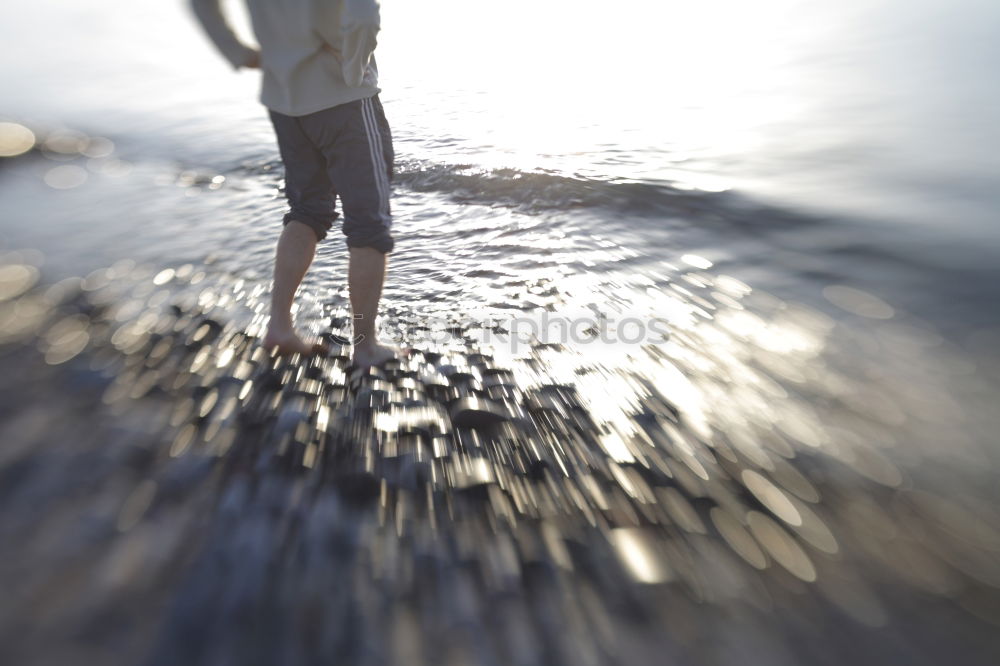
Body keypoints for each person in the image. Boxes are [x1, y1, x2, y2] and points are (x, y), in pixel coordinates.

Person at [190, 0, 397, 367]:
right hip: (341, 97)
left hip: (283, 96)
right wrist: (355, 67)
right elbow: (363, 14)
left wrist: (236, 52)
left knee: (307, 211)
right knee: (369, 221)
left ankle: (280, 326)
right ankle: (365, 347)